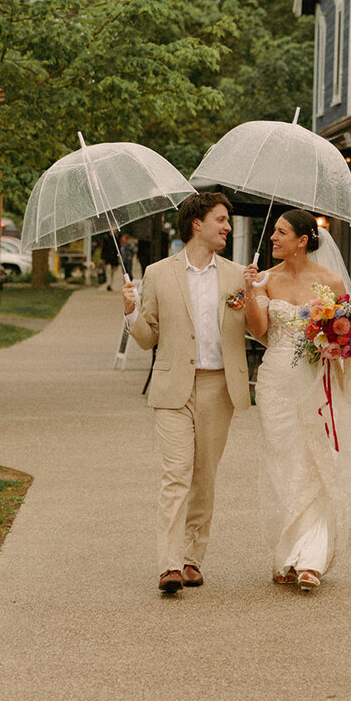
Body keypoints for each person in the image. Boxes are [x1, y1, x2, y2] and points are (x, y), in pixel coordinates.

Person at [243, 208, 351, 593]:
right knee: (283, 462)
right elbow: (259, 329)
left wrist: (338, 343)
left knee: (316, 462)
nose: (273, 239)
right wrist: (251, 291)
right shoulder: (264, 279)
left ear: (302, 240)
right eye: (273, 232)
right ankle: (287, 554)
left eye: (281, 233)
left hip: (318, 380)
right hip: (276, 382)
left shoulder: (330, 280)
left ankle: (310, 560)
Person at [121, 192, 250, 595]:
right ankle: (169, 565)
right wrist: (130, 312)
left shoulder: (236, 276)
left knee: (204, 477)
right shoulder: (159, 273)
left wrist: (256, 293)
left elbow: (255, 328)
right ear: (198, 224)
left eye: (227, 221)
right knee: (175, 475)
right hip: (174, 388)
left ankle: (193, 559)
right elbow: (147, 338)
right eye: (221, 220)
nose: (227, 227)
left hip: (220, 386)